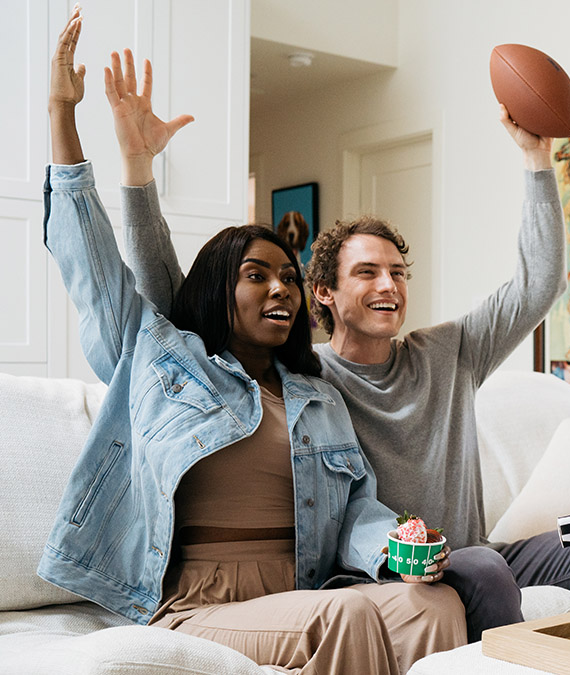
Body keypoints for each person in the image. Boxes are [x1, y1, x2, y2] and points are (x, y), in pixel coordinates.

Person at [125, 30, 570, 640]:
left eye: (398, 272)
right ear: (323, 292)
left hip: (478, 554)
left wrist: (537, 159)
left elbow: (540, 284)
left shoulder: (449, 352)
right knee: (481, 568)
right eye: (367, 272)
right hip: (378, 574)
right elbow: (176, 312)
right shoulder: (303, 379)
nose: (389, 286)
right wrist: (139, 176)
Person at [40, 8, 465, 673]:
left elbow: (356, 508)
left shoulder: (317, 399)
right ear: (219, 288)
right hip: (197, 601)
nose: (281, 289)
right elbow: (91, 264)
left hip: (300, 591)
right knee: (346, 614)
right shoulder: (165, 363)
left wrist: (397, 549)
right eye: (256, 275)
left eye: (290, 278)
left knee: (432, 604)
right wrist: (63, 114)